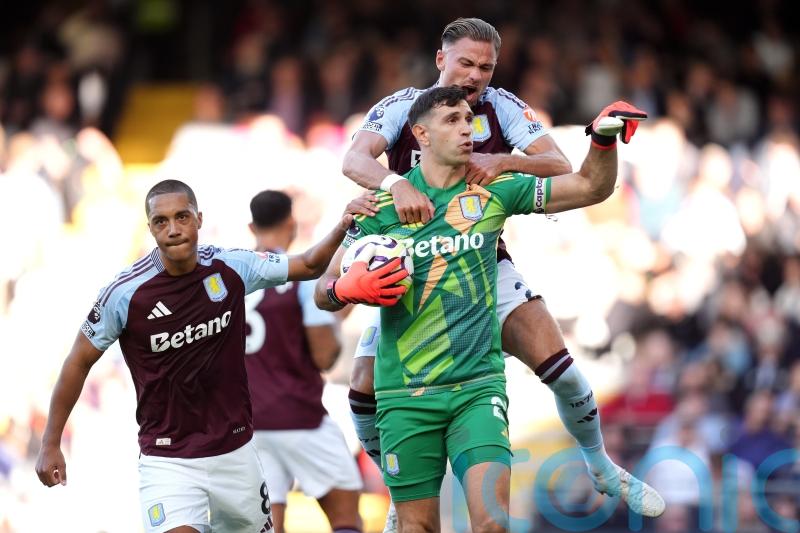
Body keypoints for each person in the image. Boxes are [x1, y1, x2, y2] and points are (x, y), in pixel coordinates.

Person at [317, 86, 663, 532]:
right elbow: (322, 293)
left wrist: (600, 139)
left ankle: (600, 463)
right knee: (417, 528)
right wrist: (346, 288)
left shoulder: (492, 190)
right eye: (453, 121)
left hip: (477, 390)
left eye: (469, 120)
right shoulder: (380, 208)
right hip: (406, 393)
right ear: (420, 134)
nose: (468, 129)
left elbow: (589, 186)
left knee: (494, 523)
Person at [34, 179, 357, 533]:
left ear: (199, 219)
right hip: (168, 458)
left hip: (235, 451)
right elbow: (78, 361)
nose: (173, 229)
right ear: (150, 228)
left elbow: (309, 265)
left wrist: (343, 225)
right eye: (161, 221)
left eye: (182, 217)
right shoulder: (124, 294)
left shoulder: (230, 267)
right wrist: (50, 442)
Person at [244, 190, 363, 533]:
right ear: (291, 224)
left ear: (251, 226)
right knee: (346, 517)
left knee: (267, 525)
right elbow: (323, 355)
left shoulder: (232, 277)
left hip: (248, 425)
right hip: (299, 416)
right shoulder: (299, 274)